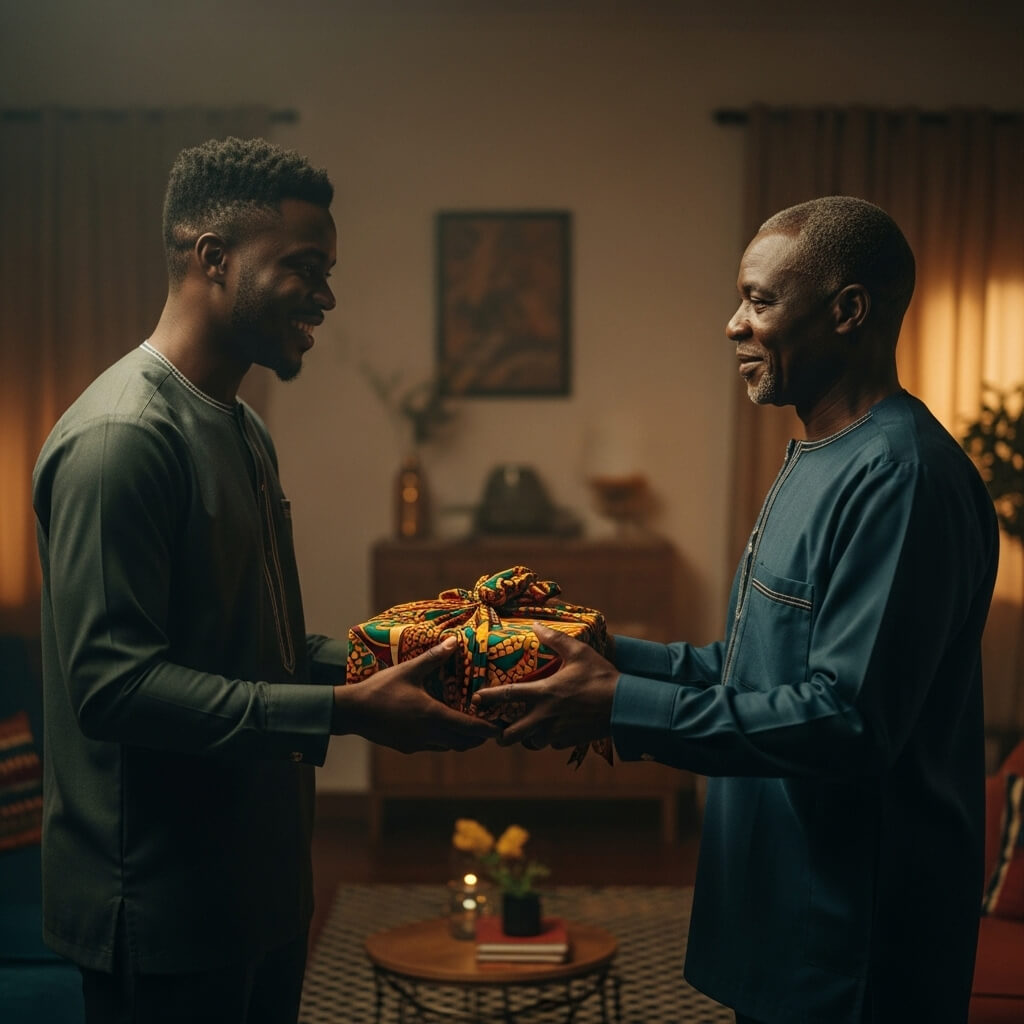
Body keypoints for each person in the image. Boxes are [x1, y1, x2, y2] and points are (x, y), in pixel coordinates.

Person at [474, 196, 999, 1023]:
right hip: (779, 914)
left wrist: (620, 707)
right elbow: (750, 669)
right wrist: (605, 654)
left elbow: (847, 722)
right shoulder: (819, 456)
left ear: (848, 312)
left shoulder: (904, 478)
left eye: (759, 300)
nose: (732, 324)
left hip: (852, 942)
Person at [32, 136, 494, 1024]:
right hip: (161, 913)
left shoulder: (240, 426)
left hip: (263, 897)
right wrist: (346, 713)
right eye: (304, 266)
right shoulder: (122, 439)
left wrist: (393, 652)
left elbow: (257, 648)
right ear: (214, 258)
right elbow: (114, 688)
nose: (326, 293)